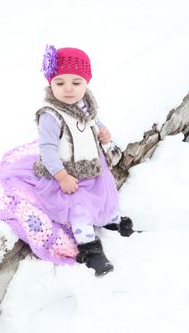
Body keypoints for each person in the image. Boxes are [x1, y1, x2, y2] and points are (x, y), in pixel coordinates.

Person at [31, 45, 134, 276]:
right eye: (60, 83)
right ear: (51, 84)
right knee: (79, 210)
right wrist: (62, 176)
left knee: (103, 197)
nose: (68, 89)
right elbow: (47, 150)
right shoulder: (50, 115)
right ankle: (90, 248)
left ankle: (111, 220)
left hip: (92, 169)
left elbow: (94, 122)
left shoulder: (85, 103)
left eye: (76, 83)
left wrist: (104, 132)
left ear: (86, 83)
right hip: (68, 175)